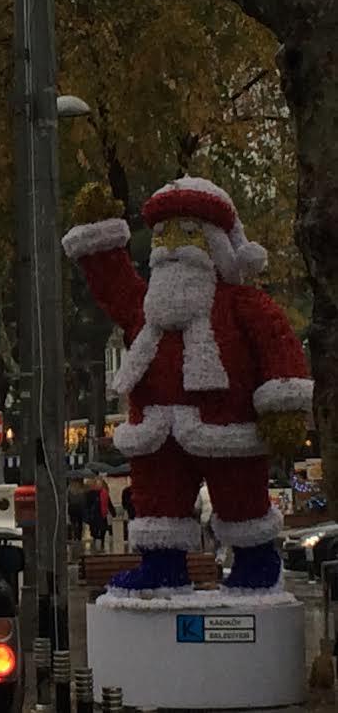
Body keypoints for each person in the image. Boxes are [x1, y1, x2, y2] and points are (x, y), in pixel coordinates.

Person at [63, 177, 312, 596]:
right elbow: (113, 284)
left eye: (188, 234)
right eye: (163, 235)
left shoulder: (243, 305)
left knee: (242, 500)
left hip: (228, 432)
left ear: (216, 246)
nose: (172, 245)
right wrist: (99, 232)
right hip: (157, 434)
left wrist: (282, 408)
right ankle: (162, 567)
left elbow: (277, 347)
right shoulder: (146, 308)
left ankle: (254, 562)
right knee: (158, 501)